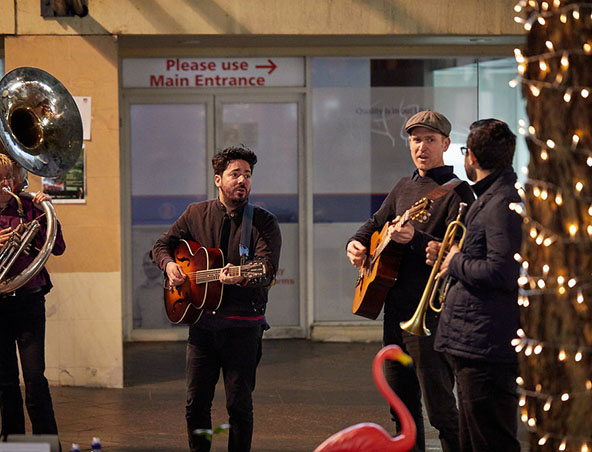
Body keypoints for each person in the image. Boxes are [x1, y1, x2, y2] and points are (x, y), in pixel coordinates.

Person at [346, 110, 475, 452]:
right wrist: (356, 244)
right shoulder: (404, 186)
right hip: (395, 311)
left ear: (446, 144)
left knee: (441, 411)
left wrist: (414, 239)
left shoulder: (458, 193)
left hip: (431, 316)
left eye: (430, 140)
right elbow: (375, 223)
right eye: (416, 139)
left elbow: (459, 252)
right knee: (400, 408)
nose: (422, 147)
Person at [152, 146, 281, 452]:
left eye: (247, 175)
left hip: (243, 328)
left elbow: (267, 269)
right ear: (218, 179)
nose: (242, 181)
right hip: (202, 327)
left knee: (239, 406)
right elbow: (162, 245)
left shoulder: (263, 222)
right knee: (196, 404)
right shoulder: (196, 214)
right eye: (235, 174)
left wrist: (243, 275)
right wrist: (170, 265)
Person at [428, 119, 522, 452]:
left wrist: (454, 262)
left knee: (490, 440)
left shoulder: (500, 204)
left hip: (484, 344)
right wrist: (449, 256)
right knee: (472, 440)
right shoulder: (490, 198)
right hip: (472, 340)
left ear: (473, 157)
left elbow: (502, 270)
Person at [0, 153, 66, 446]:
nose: (6, 183)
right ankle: (13, 444)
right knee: (5, 383)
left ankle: (48, 444)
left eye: (8, 176)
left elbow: (59, 247)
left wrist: (48, 209)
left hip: (29, 301)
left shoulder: (28, 206)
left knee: (35, 380)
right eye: (0, 178)